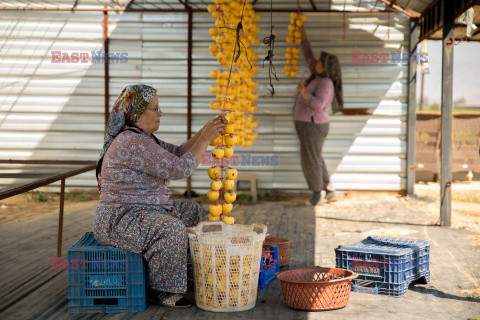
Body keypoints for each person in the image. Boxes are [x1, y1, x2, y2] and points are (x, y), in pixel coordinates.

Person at [93, 84, 225, 308]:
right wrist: (204, 141)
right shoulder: (131, 142)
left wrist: (204, 134)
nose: (160, 113)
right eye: (155, 109)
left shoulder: (142, 138)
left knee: (190, 210)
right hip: (120, 218)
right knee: (171, 228)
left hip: (145, 211)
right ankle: (163, 290)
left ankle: (178, 272)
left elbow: (179, 152)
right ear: (136, 113)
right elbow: (179, 169)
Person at [294, 26, 342, 206]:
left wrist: (304, 93)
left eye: (320, 61)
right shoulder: (318, 75)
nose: (317, 62)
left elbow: (319, 104)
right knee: (316, 156)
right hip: (309, 124)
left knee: (310, 159)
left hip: (312, 124)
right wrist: (303, 36)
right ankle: (329, 190)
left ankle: (316, 195)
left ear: (326, 67)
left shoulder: (326, 83)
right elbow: (309, 56)